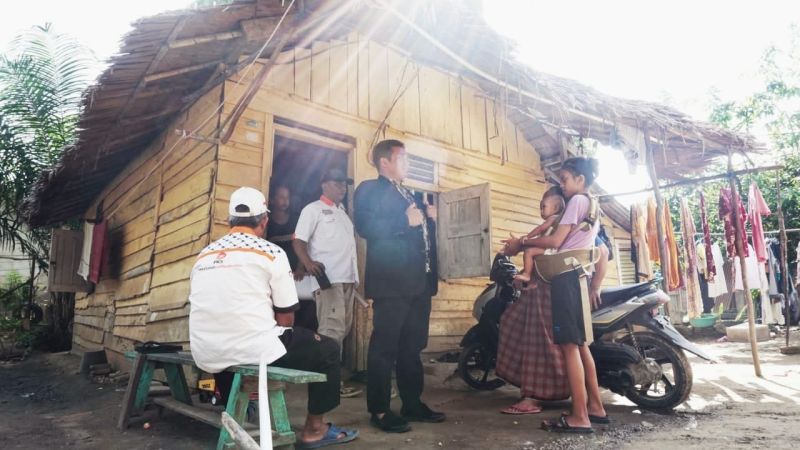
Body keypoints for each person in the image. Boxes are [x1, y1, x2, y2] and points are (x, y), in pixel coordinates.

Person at [189, 186, 358, 448]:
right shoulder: (270, 253)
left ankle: (242, 409)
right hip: (250, 350)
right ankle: (315, 429)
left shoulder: (203, 256)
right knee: (328, 349)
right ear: (264, 221)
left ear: (228, 221)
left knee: (235, 339)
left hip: (205, 353)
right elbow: (286, 321)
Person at [496, 160, 609, 425]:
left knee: (570, 348)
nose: (562, 184)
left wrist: (522, 243)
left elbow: (556, 241)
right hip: (578, 275)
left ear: (580, 180)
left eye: (566, 179)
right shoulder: (592, 203)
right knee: (581, 348)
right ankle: (595, 407)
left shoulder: (577, 202)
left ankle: (579, 417)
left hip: (565, 276)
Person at [353, 139, 445, 433]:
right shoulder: (370, 189)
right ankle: (379, 410)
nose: (408, 163)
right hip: (392, 283)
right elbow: (365, 227)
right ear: (385, 162)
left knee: (412, 346)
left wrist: (431, 221)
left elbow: (418, 234)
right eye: (402, 158)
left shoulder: (410, 195)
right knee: (384, 347)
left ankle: (411, 403)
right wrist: (404, 221)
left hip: (419, 284)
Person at [293, 168, 363, 398]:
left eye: (345, 184)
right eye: (337, 183)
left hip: (347, 280)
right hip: (328, 280)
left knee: (342, 329)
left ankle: (330, 380)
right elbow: (299, 242)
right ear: (324, 184)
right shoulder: (313, 210)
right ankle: (328, 385)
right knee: (330, 331)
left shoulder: (342, 212)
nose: (343, 188)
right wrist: (308, 264)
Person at [266, 185, 317, 331]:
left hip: (298, 276)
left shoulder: (296, 220)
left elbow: (303, 244)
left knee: (304, 310)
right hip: (277, 276)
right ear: (272, 200)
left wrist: (301, 267)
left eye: (287, 198)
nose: (285, 201)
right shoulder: (267, 224)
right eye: (281, 197)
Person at [513, 187, 566, 284]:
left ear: (555, 208)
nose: (541, 211)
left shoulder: (552, 218)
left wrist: (527, 237)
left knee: (529, 252)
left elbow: (540, 229)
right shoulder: (557, 220)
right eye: (540, 208)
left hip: (550, 250)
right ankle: (531, 277)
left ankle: (527, 274)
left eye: (544, 207)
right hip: (551, 250)